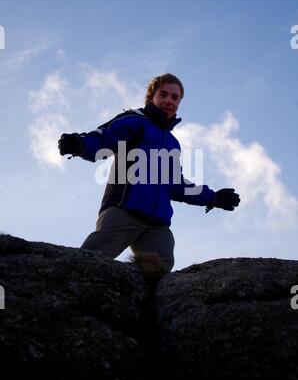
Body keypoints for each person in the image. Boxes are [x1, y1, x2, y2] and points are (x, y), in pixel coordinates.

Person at [58, 73, 240, 272]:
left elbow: (176, 185)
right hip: (122, 211)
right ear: (151, 97)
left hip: (156, 226)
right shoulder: (135, 121)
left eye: (175, 97)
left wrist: (212, 198)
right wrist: (80, 143)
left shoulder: (172, 143)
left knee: (159, 273)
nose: (169, 101)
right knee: (89, 265)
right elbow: (104, 139)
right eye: (163, 95)